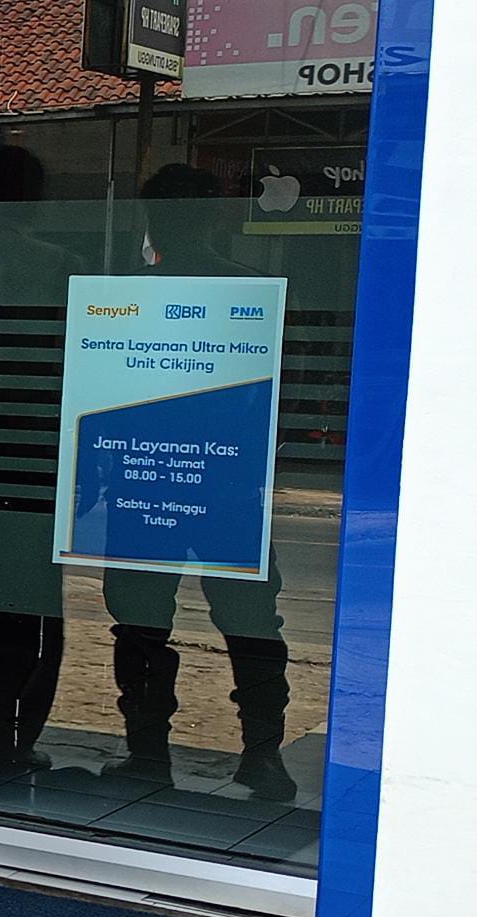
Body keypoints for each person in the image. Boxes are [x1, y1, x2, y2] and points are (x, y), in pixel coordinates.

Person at [98, 164, 296, 801]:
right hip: (222, 486)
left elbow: (103, 397)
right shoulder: (255, 292)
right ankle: (262, 757)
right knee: (248, 622)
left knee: (141, 622)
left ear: (153, 221)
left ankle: (149, 754)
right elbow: (281, 403)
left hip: (151, 481)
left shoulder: (126, 296)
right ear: (215, 218)